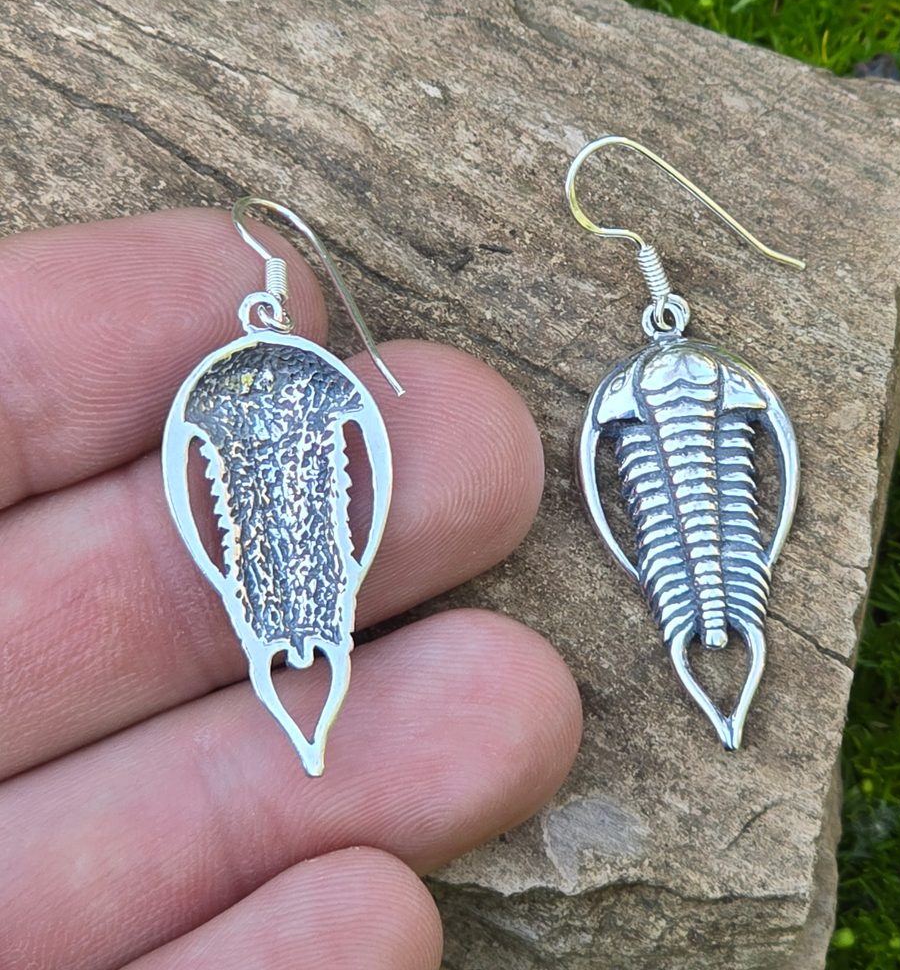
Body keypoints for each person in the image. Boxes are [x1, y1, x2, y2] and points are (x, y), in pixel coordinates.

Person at [0, 208, 583, 969]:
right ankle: (306, 731)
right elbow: (199, 487)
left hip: (305, 570)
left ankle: (311, 731)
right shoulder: (234, 393)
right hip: (266, 575)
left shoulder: (295, 391)